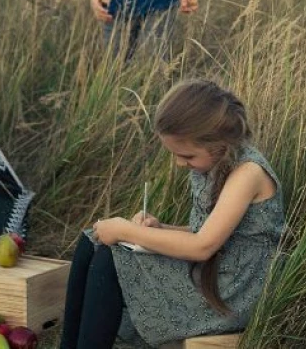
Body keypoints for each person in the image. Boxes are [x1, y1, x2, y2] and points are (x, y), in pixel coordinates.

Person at [59, 79, 284, 348]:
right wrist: (159, 229)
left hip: (234, 290)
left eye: (187, 156)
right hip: (214, 270)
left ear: (219, 143)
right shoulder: (212, 162)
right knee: (92, 240)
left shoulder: (247, 174)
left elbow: (203, 246)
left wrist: (128, 231)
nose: (179, 163)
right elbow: (210, 230)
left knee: (112, 258)